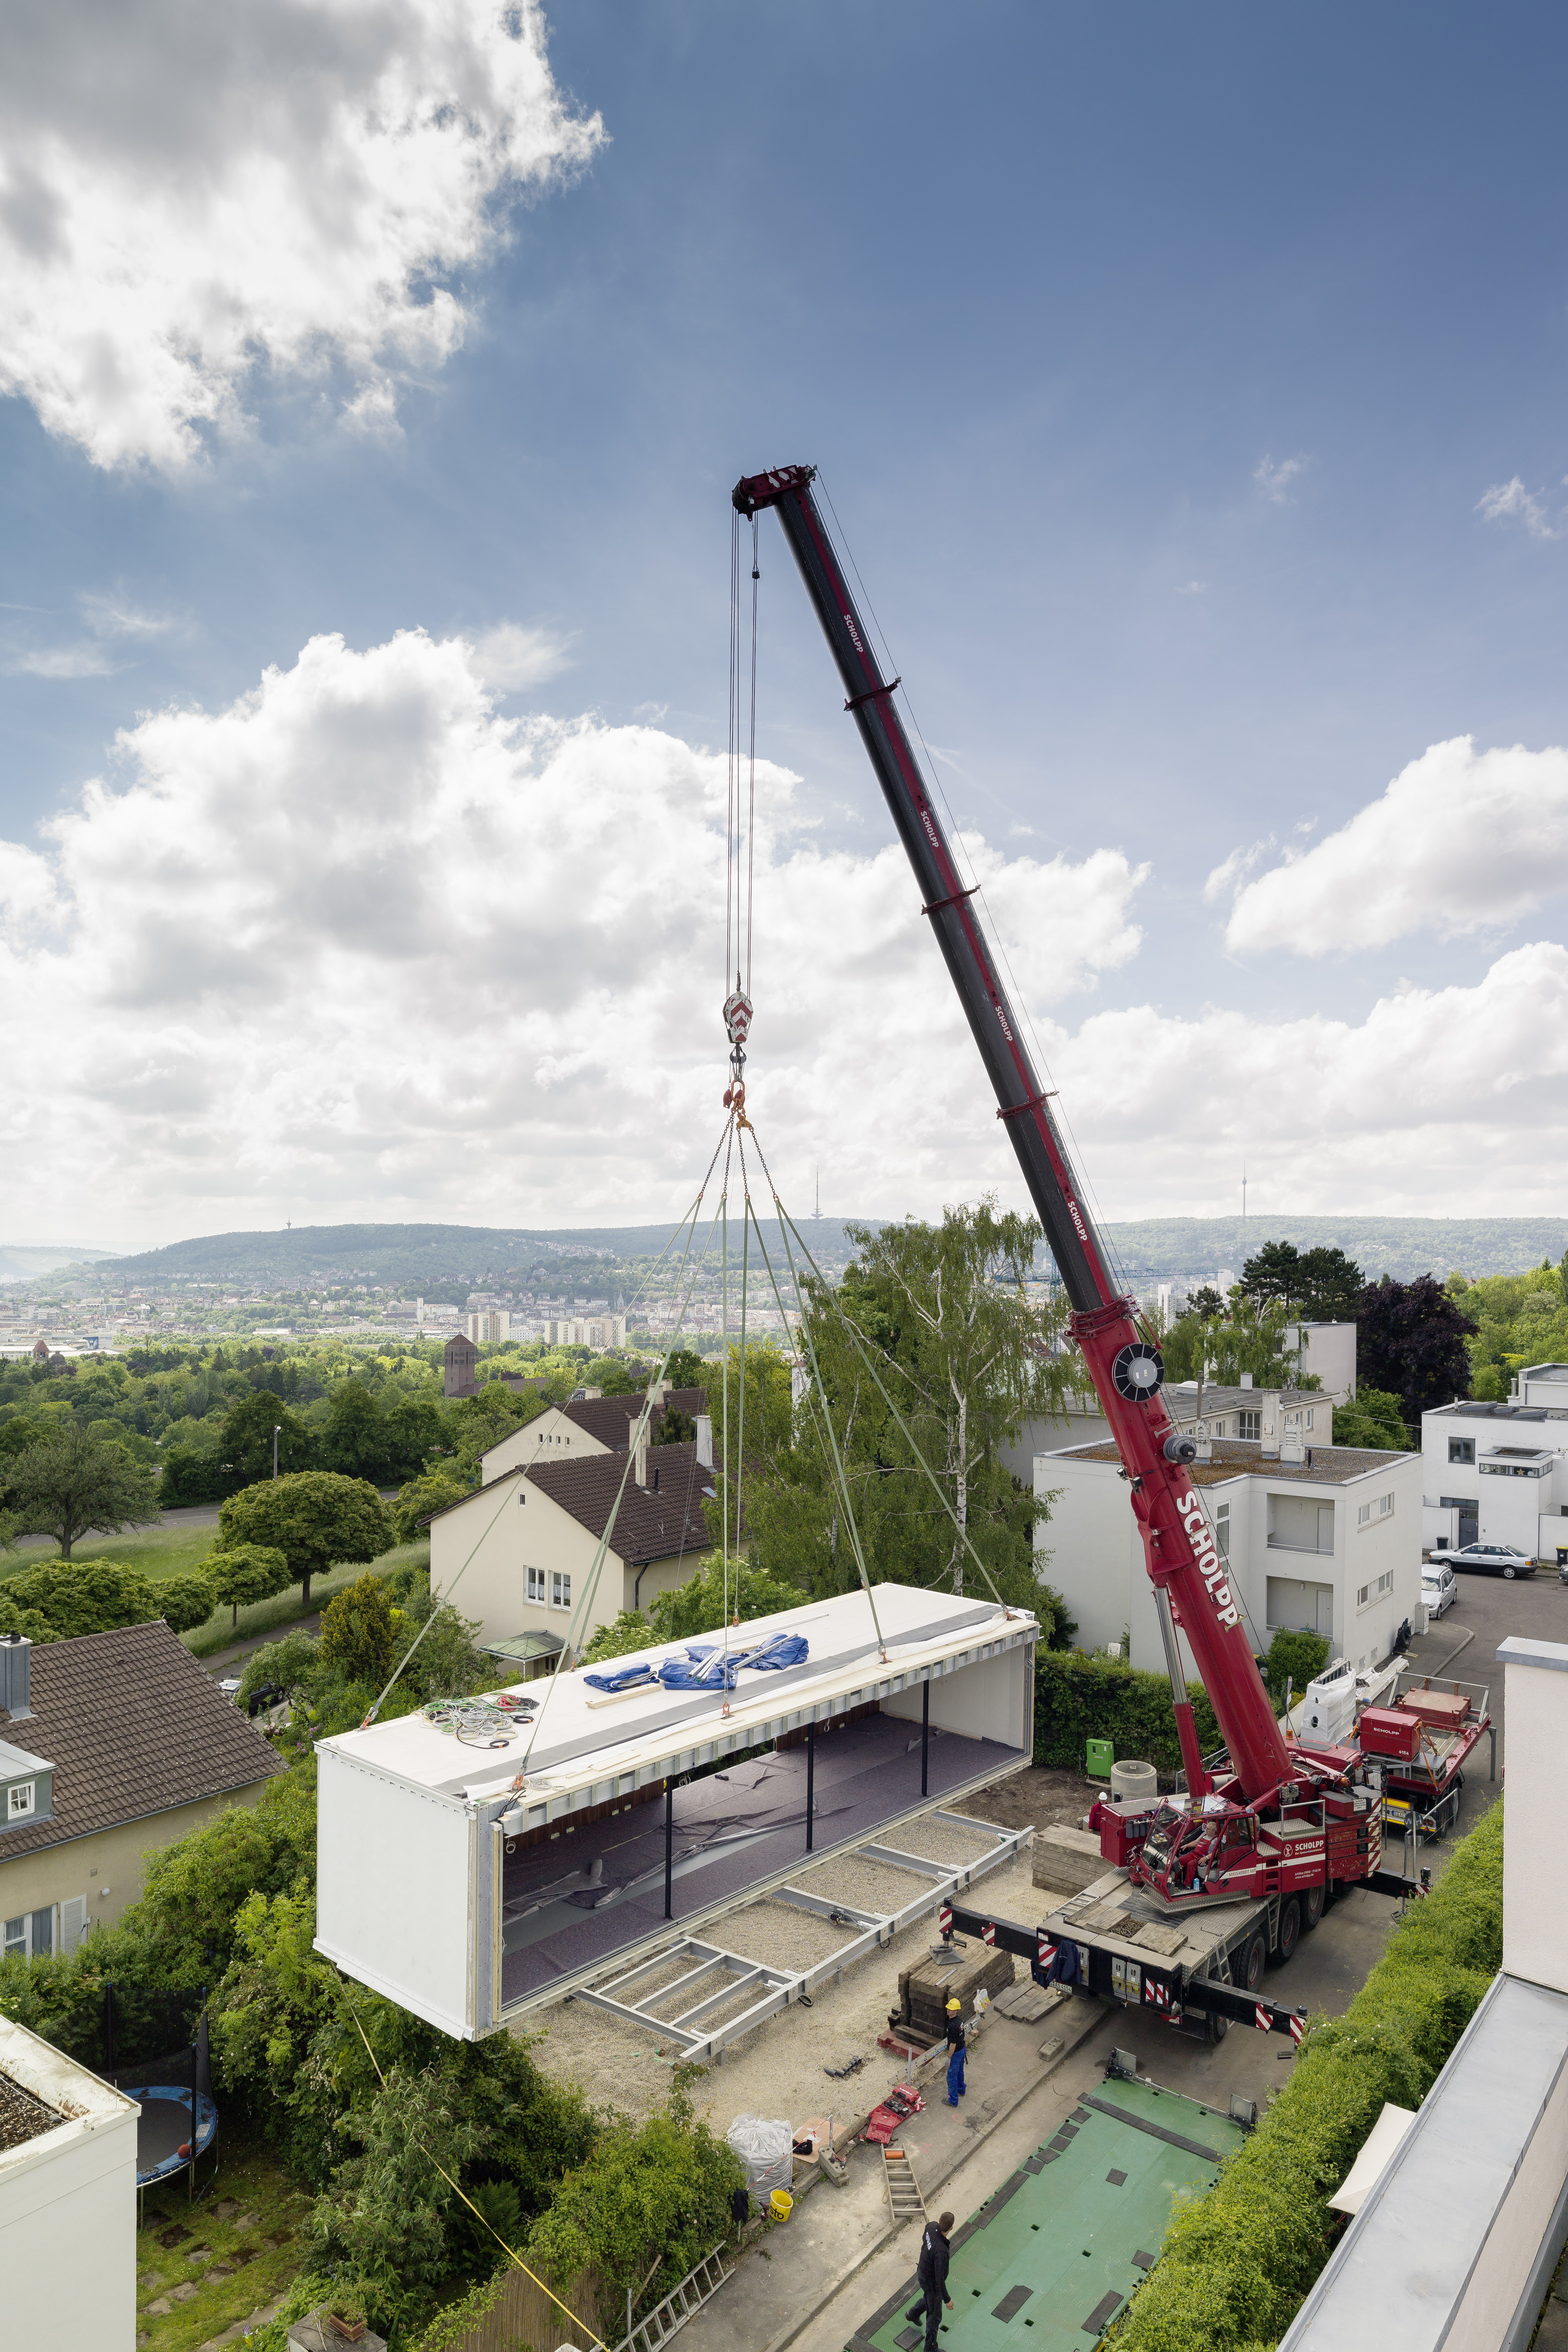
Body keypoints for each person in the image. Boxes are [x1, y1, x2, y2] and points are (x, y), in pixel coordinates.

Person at [906, 2209, 955, 2350]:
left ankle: (913, 2314)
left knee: (930, 2298)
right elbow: (939, 2278)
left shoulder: (931, 2227)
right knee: (935, 2317)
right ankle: (930, 2348)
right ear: (951, 2227)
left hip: (922, 2272)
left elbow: (925, 2241)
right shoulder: (941, 2251)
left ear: (939, 2221)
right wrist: (947, 2299)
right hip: (932, 2282)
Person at [943, 1997, 966, 2106]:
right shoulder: (959, 2020)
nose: (949, 2011)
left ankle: (953, 2100)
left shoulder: (952, 2026)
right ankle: (962, 2090)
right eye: (948, 2008)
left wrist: (949, 2057)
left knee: (951, 2076)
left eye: (951, 2009)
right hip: (962, 2050)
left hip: (956, 2053)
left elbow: (953, 2044)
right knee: (960, 2071)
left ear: (956, 2011)